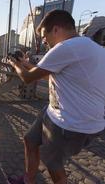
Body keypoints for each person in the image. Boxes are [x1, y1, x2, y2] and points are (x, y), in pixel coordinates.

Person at [8, 10, 105, 184]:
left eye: (44, 35)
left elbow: (28, 78)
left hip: (70, 122)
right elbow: (51, 75)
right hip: (64, 114)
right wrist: (25, 63)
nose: (44, 41)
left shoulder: (66, 47)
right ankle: (28, 180)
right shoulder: (91, 48)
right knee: (30, 140)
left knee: (52, 163)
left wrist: (15, 65)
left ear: (56, 29)